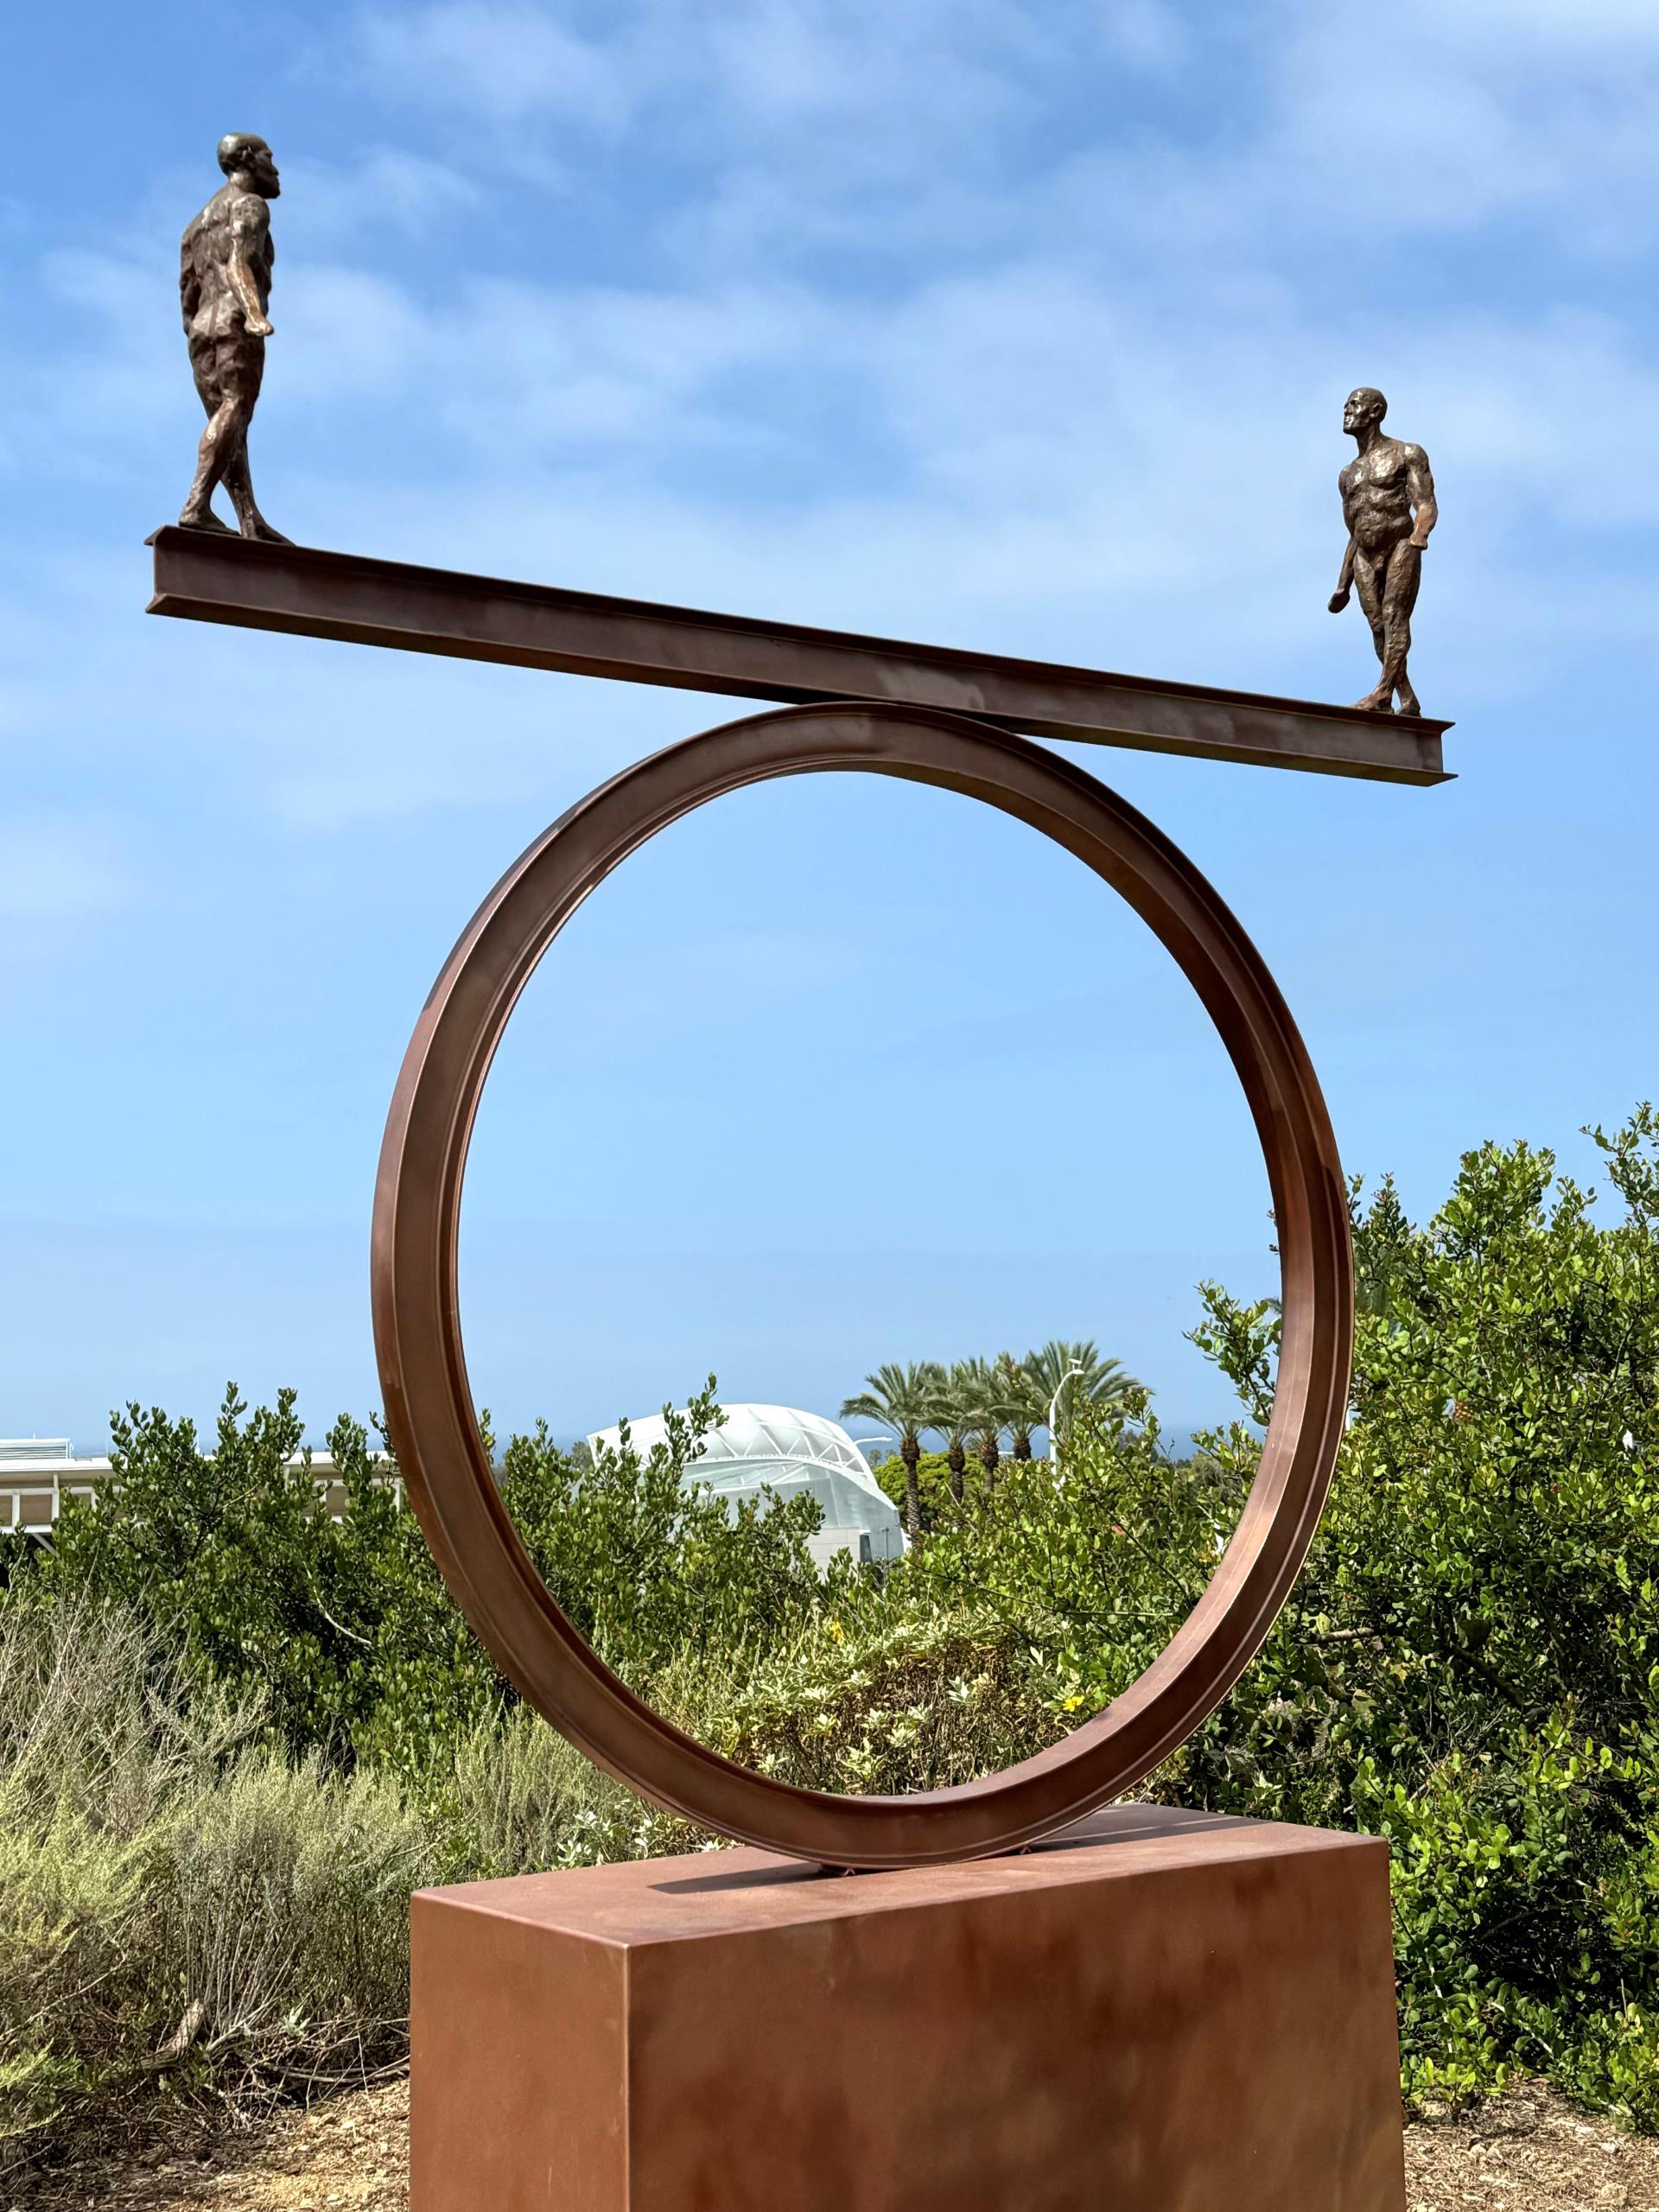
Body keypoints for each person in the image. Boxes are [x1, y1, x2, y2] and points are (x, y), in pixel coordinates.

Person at [177, 134, 290, 543]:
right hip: (234, 321)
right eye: (268, 157)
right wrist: (254, 315)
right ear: (246, 158)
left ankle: (248, 518)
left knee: (228, 421)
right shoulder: (251, 205)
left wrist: (195, 331)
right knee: (235, 408)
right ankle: (197, 505)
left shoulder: (195, 225)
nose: (275, 168)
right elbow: (239, 262)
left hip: (202, 331)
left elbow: (188, 290)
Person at [1328, 386, 1435, 715]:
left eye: (1355, 404)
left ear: (1375, 412)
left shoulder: (1407, 453)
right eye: (1346, 404)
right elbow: (1354, 532)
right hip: (1364, 555)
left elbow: (1426, 504)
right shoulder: (1348, 475)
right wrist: (1342, 583)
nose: (1347, 410)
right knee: (1378, 626)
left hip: (1402, 544)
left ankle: (1381, 693)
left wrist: (1420, 535)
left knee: (1393, 616)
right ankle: (1407, 698)